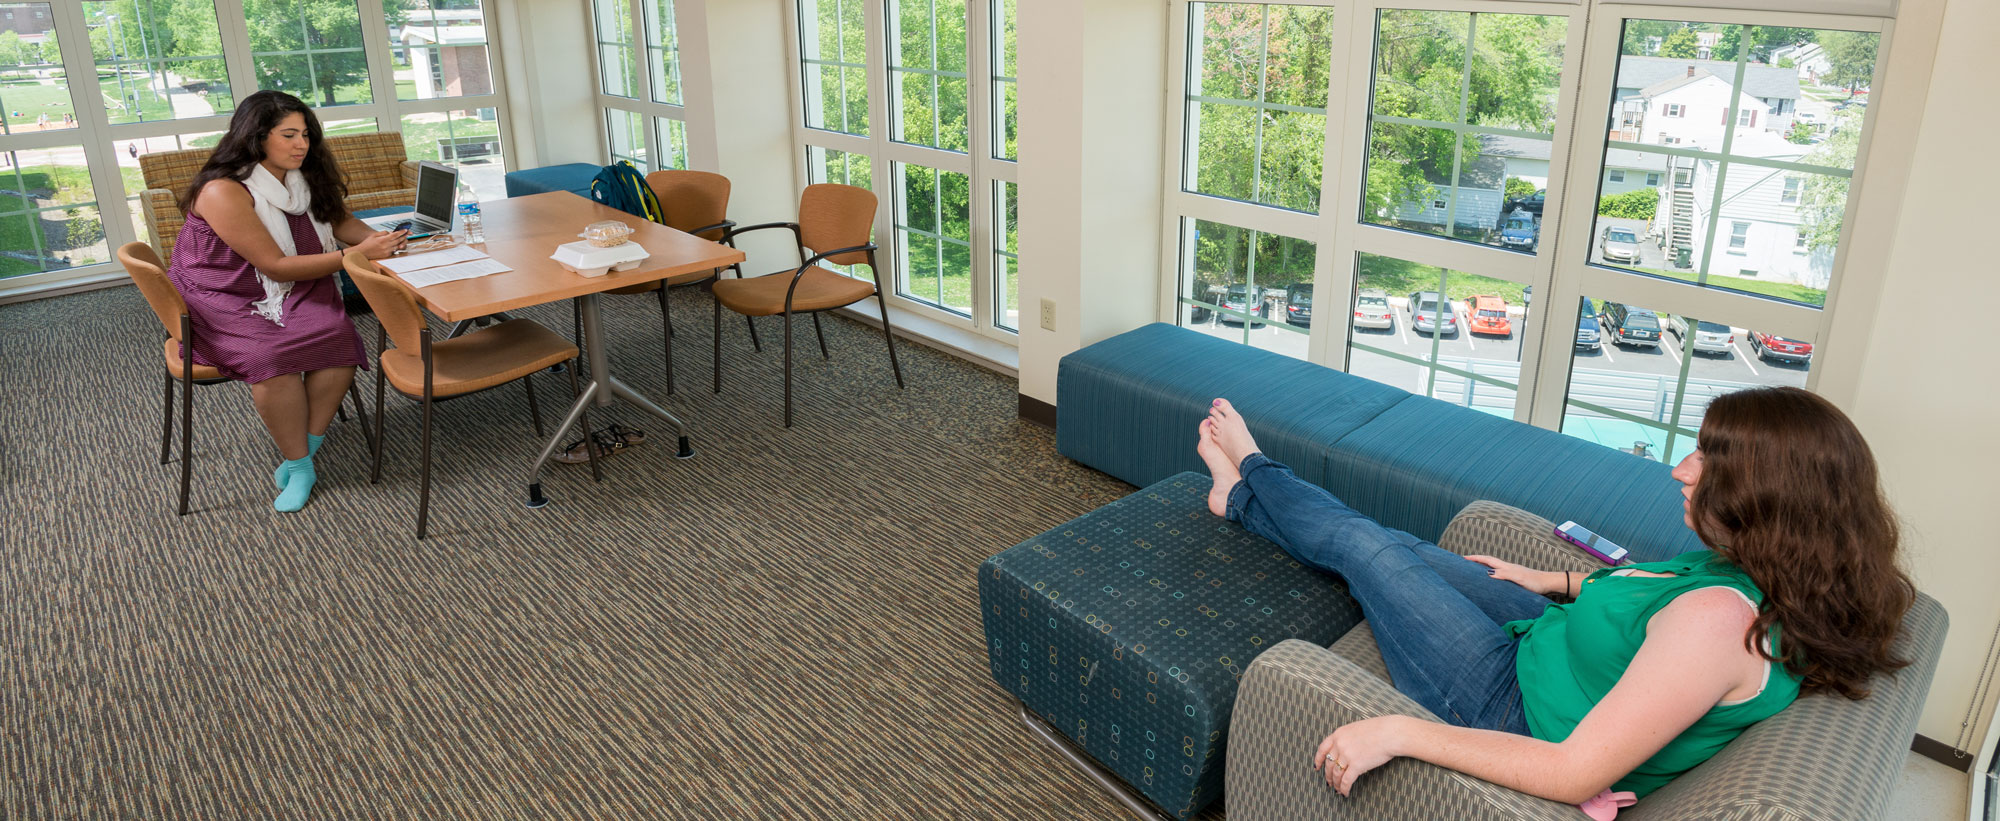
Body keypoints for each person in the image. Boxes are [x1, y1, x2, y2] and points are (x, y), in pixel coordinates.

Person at [1194, 388, 1913, 806]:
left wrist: (1397, 729)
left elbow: (1574, 771)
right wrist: (1557, 579)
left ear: (1770, 497)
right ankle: (1248, 499)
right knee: (1397, 542)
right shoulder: (1769, 575)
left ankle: (1252, 471)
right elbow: (1650, 591)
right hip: (1554, 637)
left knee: (1364, 549)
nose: (1681, 468)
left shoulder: (1720, 624)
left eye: (1707, 458)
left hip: (1507, 702)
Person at [167, 90, 406, 512]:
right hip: (224, 294)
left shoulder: (300, 176)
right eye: (289, 135)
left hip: (289, 286)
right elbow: (274, 265)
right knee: (272, 357)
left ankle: (305, 449)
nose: (302, 144)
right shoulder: (224, 190)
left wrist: (380, 241)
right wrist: (358, 256)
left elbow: (339, 220)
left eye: (306, 134)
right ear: (257, 137)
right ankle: (299, 467)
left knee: (338, 338)